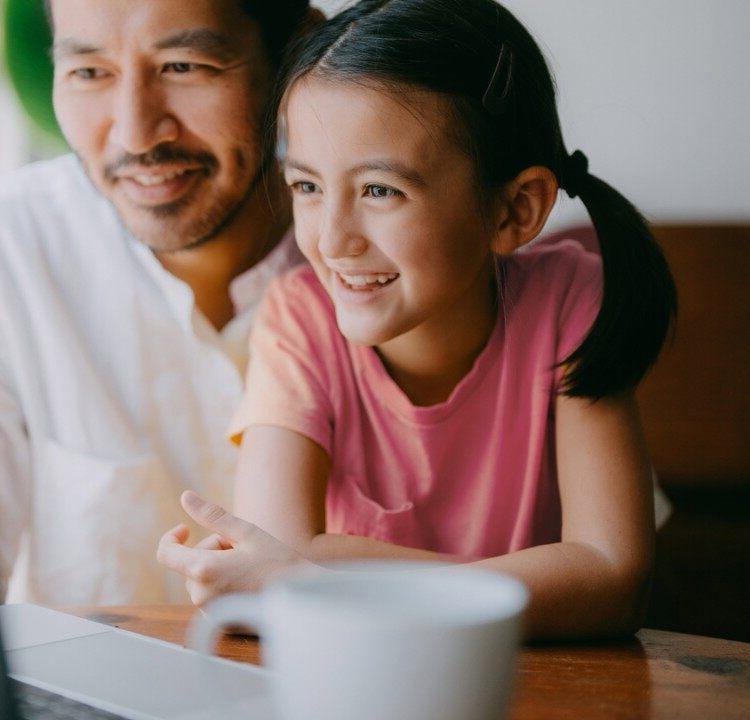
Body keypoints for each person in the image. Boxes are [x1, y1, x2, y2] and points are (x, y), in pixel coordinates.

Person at [157, 0, 677, 639]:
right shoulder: (298, 319)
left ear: (515, 210)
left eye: (380, 190)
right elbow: (277, 562)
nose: (330, 239)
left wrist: (330, 573)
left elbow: (612, 578)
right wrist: (534, 582)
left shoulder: (567, 298)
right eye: (306, 187)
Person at [0, 0, 315, 605]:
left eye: (184, 66)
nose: (135, 132)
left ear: (295, 54)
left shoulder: (394, 263)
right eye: (89, 73)